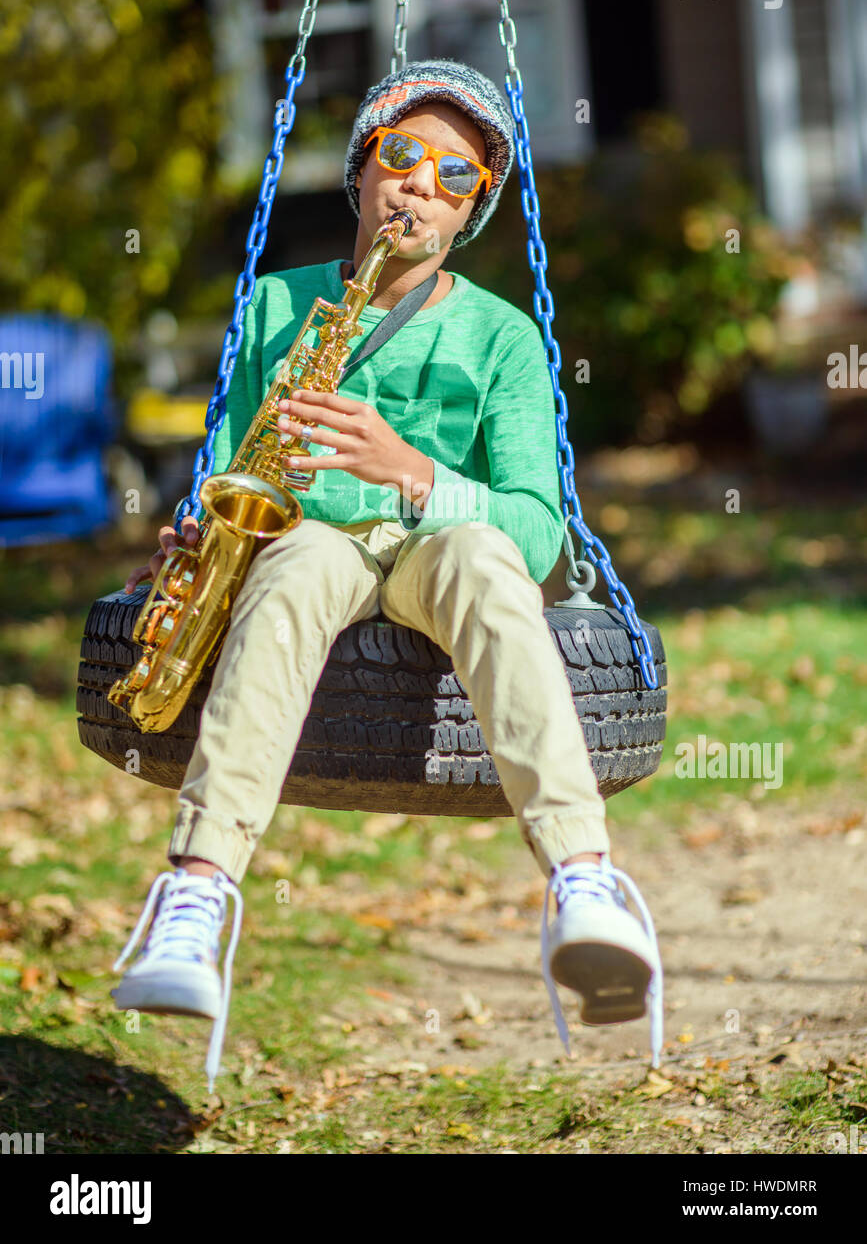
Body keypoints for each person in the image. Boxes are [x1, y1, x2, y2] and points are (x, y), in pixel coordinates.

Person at [112, 58, 664, 1091]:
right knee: (287, 574)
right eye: (402, 155)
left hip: (440, 540)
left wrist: (411, 473)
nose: (421, 184)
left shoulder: (503, 335)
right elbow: (230, 469)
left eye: (456, 177)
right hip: (309, 537)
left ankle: (583, 880)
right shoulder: (278, 304)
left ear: (472, 213)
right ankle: (194, 899)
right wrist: (197, 532)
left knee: (492, 568)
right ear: (361, 172)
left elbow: (539, 529)